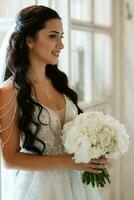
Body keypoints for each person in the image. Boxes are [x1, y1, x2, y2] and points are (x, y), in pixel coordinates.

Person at [0, 5, 108, 200]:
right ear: (30, 40)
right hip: (40, 190)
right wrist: (70, 161)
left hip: (76, 185)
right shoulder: (8, 92)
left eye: (61, 37)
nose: (61, 45)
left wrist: (93, 151)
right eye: (52, 36)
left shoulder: (59, 83)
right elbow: (10, 159)